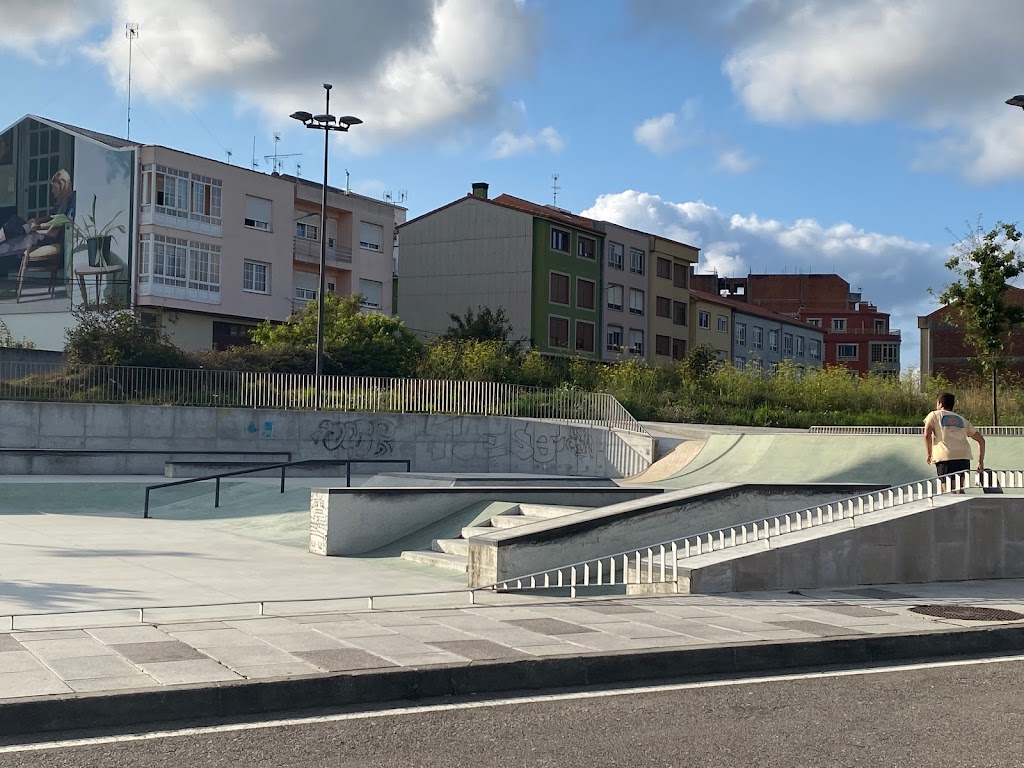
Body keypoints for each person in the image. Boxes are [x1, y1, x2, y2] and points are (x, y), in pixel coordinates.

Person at [924, 391, 985, 492]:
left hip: (945, 457)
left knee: (948, 492)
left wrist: (929, 454)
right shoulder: (962, 419)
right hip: (963, 457)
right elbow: (981, 440)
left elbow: (927, 435)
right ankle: (964, 507)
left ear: (940, 404)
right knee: (959, 489)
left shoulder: (934, 415)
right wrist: (980, 462)